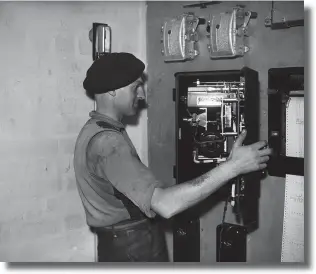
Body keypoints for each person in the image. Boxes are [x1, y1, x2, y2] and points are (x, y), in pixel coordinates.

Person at [73, 52, 272, 262]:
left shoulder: (95, 130)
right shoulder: (108, 143)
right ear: (113, 90)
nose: (141, 95)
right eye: (135, 87)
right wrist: (233, 167)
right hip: (132, 249)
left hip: (122, 244)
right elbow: (165, 205)